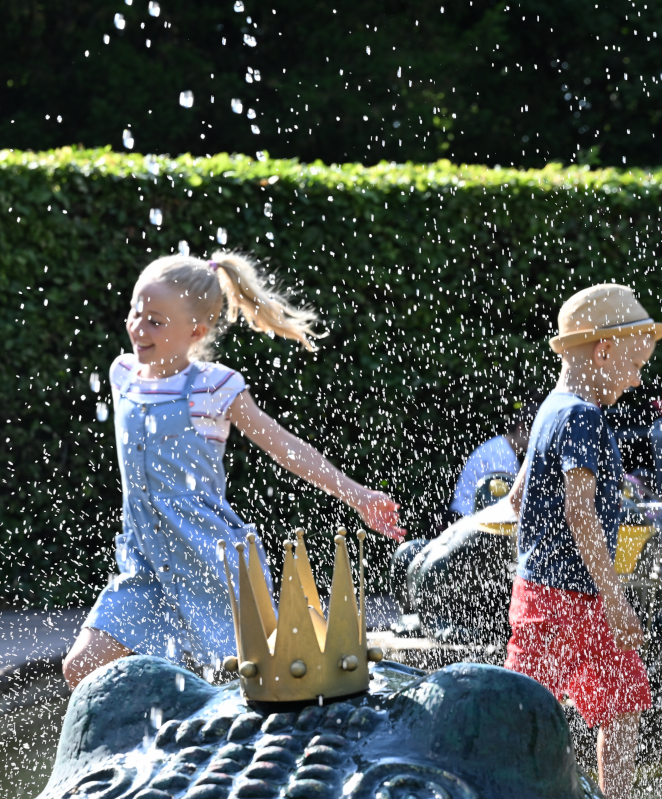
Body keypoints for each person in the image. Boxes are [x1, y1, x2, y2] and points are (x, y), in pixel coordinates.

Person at [62, 252, 406, 689]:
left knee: (267, 684)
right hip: (145, 567)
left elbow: (285, 447)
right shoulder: (123, 375)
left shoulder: (214, 387)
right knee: (80, 669)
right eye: (135, 312)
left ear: (196, 332)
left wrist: (358, 495)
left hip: (211, 563)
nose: (138, 327)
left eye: (155, 321)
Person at [503, 283, 662, 799]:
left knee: (545, 705)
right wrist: (616, 598)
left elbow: (517, 498)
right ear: (602, 351)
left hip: (541, 589)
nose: (637, 380)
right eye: (635, 364)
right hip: (573, 595)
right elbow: (580, 514)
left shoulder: (551, 410)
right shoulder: (581, 417)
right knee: (605, 701)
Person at [450, 397, 544, 519]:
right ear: (520, 428)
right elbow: (503, 502)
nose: (540, 441)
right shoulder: (502, 455)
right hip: (468, 519)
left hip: (467, 517)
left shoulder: (500, 447)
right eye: (538, 434)